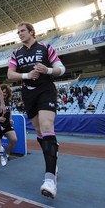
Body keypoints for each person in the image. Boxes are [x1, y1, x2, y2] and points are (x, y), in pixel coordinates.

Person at [7, 22, 65, 199]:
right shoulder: (16, 53)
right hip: (28, 93)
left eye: (22, 31)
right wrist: (26, 75)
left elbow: (61, 69)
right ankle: (52, 155)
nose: (20, 34)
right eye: (18, 32)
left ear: (32, 32)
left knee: (47, 126)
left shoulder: (46, 47)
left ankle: (50, 179)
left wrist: (47, 70)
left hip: (46, 89)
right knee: (39, 131)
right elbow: (10, 75)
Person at [0, 84, 17, 164]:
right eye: (3, 92)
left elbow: (9, 112)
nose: (4, 94)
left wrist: (10, 119)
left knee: (14, 139)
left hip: (7, 126)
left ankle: (6, 156)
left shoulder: (9, 101)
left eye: (6, 92)